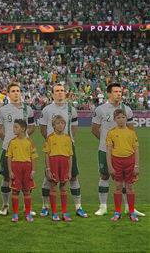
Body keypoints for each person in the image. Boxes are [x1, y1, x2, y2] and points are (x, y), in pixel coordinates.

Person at [92, 83, 144, 216]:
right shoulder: (100, 109)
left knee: (127, 179)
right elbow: (95, 129)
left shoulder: (127, 109)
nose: (118, 94)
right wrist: (109, 143)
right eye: (115, 91)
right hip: (105, 150)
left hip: (124, 152)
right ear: (109, 93)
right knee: (104, 175)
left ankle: (128, 207)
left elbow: (131, 130)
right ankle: (103, 206)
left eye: (120, 91)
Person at [39, 83, 87, 218]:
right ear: (52, 94)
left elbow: (75, 128)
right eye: (57, 91)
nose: (60, 93)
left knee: (73, 176)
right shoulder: (47, 110)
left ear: (65, 93)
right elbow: (42, 129)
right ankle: (45, 207)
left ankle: (78, 207)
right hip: (53, 148)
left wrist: (66, 140)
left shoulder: (72, 109)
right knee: (49, 178)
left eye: (62, 90)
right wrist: (53, 141)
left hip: (67, 147)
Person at [0, 82, 35, 216]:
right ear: (8, 94)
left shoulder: (27, 109)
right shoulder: (3, 110)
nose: (16, 93)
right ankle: (5, 205)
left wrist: (23, 139)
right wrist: (9, 141)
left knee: (26, 179)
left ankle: (26, 207)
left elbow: (31, 127)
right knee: (6, 178)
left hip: (24, 151)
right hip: (8, 149)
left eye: (18, 90)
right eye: (13, 91)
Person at [106, 109, 140, 222]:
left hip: (130, 161)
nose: (121, 120)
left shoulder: (131, 132)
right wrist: (110, 166)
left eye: (123, 117)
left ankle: (131, 212)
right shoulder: (111, 133)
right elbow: (109, 151)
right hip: (117, 161)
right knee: (118, 187)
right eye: (118, 118)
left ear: (126, 118)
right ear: (115, 119)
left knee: (130, 187)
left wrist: (136, 165)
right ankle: (117, 212)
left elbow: (136, 150)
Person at [43, 115, 74, 222]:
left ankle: (64, 212)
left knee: (64, 188)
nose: (60, 125)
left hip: (64, 164)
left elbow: (70, 156)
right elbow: (47, 154)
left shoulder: (68, 138)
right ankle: (54, 212)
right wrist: (48, 169)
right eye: (57, 123)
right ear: (53, 126)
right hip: (53, 163)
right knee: (53, 187)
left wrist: (69, 171)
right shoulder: (50, 138)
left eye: (62, 123)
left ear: (65, 125)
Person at [7, 119, 38, 222]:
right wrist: (10, 171)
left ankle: (28, 213)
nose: (14, 129)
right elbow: (9, 157)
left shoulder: (29, 142)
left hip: (27, 167)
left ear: (23, 129)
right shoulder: (12, 142)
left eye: (16, 127)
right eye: (13, 127)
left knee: (27, 191)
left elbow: (33, 157)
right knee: (15, 191)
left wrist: (33, 170)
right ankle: (15, 214)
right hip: (16, 167)